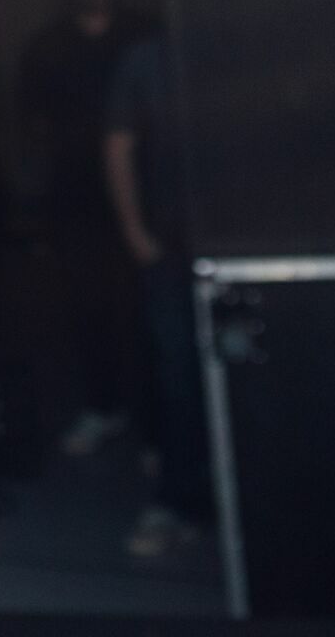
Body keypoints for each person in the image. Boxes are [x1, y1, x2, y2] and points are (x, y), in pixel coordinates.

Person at [15, 0, 157, 457]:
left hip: (145, 196)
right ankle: (103, 407)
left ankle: (160, 429)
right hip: (76, 201)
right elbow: (32, 129)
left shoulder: (145, 36)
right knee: (87, 309)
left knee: (150, 311)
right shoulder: (45, 50)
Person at [103, 37, 210, 556]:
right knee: (178, 374)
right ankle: (179, 501)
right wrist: (134, 232)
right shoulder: (149, 56)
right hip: (173, 244)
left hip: (240, 239)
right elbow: (118, 144)